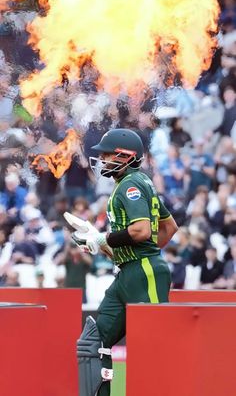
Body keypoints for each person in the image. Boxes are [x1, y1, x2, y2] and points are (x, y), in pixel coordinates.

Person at [71, 128, 178, 396]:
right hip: (130, 270)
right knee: (93, 343)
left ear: (124, 156)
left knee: (156, 345)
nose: (102, 160)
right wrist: (102, 245)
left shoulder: (130, 185)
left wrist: (106, 239)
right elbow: (169, 228)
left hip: (143, 270)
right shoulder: (137, 182)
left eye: (107, 155)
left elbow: (142, 231)